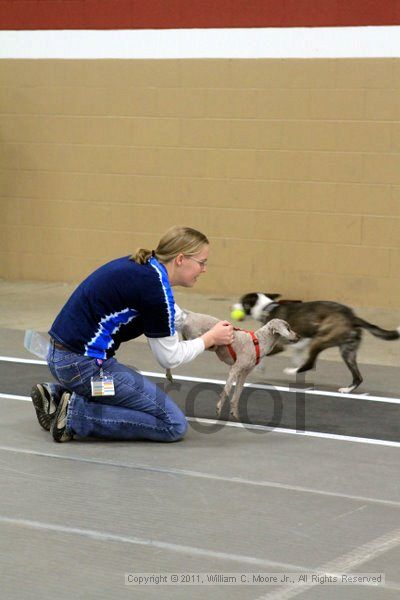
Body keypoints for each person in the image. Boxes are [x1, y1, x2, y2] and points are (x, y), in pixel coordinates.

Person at [30, 226, 234, 443]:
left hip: (60, 358)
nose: (204, 269)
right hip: (84, 369)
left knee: (125, 395)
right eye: (202, 262)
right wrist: (209, 339)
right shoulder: (156, 292)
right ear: (181, 259)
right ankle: (75, 416)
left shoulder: (145, 267)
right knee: (173, 424)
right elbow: (169, 357)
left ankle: (56, 395)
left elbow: (177, 316)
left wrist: (217, 331)